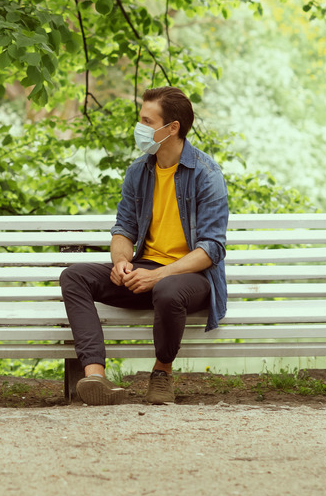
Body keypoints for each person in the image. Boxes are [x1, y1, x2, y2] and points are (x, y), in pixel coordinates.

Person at [60, 86, 229, 406]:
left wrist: (159, 276)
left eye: (146, 121)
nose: (139, 128)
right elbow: (124, 229)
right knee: (74, 276)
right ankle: (95, 376)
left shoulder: (206, 174)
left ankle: (162, 374)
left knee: (167, 289)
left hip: (191, 278)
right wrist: (122, 261)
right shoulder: (139, 171)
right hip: (145, 270)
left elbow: (211, 249)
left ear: (172, 128)